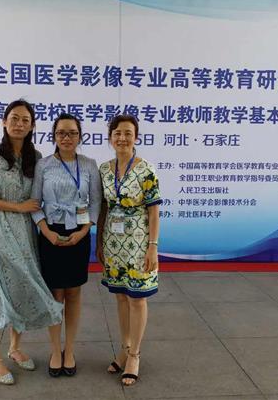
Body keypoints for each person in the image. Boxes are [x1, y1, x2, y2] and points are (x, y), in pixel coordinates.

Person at [0, 99, 63, 385]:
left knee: (22, 287)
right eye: (14, 118)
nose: (19, 123)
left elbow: (41, 195)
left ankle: (14, 347)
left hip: (25, 233)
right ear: (4, 122)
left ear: (32, 125)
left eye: (25, 119)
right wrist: (17, 207)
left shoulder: (35, 157)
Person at [31, 113, 102, 377]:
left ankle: (69, 350)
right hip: (51, 234)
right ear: (54, 136)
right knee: (54, 295)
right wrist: (46, 231)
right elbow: (34, 203)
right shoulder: (44, 165)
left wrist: (84, 231)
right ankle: (54, 350)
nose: (66, 138)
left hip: (79, 234)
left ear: (80, 136)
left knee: (73, 293)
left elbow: (96, 201)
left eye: (72, 133)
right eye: (61, 133)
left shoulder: (89, 165)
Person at [96, 114, 162, 387]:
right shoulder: (104, 169)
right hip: (113, 242)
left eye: (127, 133)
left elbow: (154, 211)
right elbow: (103, 207)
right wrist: (99, 242)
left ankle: (134, 355)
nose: (122, 138)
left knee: (137, 298)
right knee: (121, 297)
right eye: (117, 133)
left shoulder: (146, 169)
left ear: (136, 137)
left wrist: (153, 247)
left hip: (139, 242)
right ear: (110, 137)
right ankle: (124, 349)